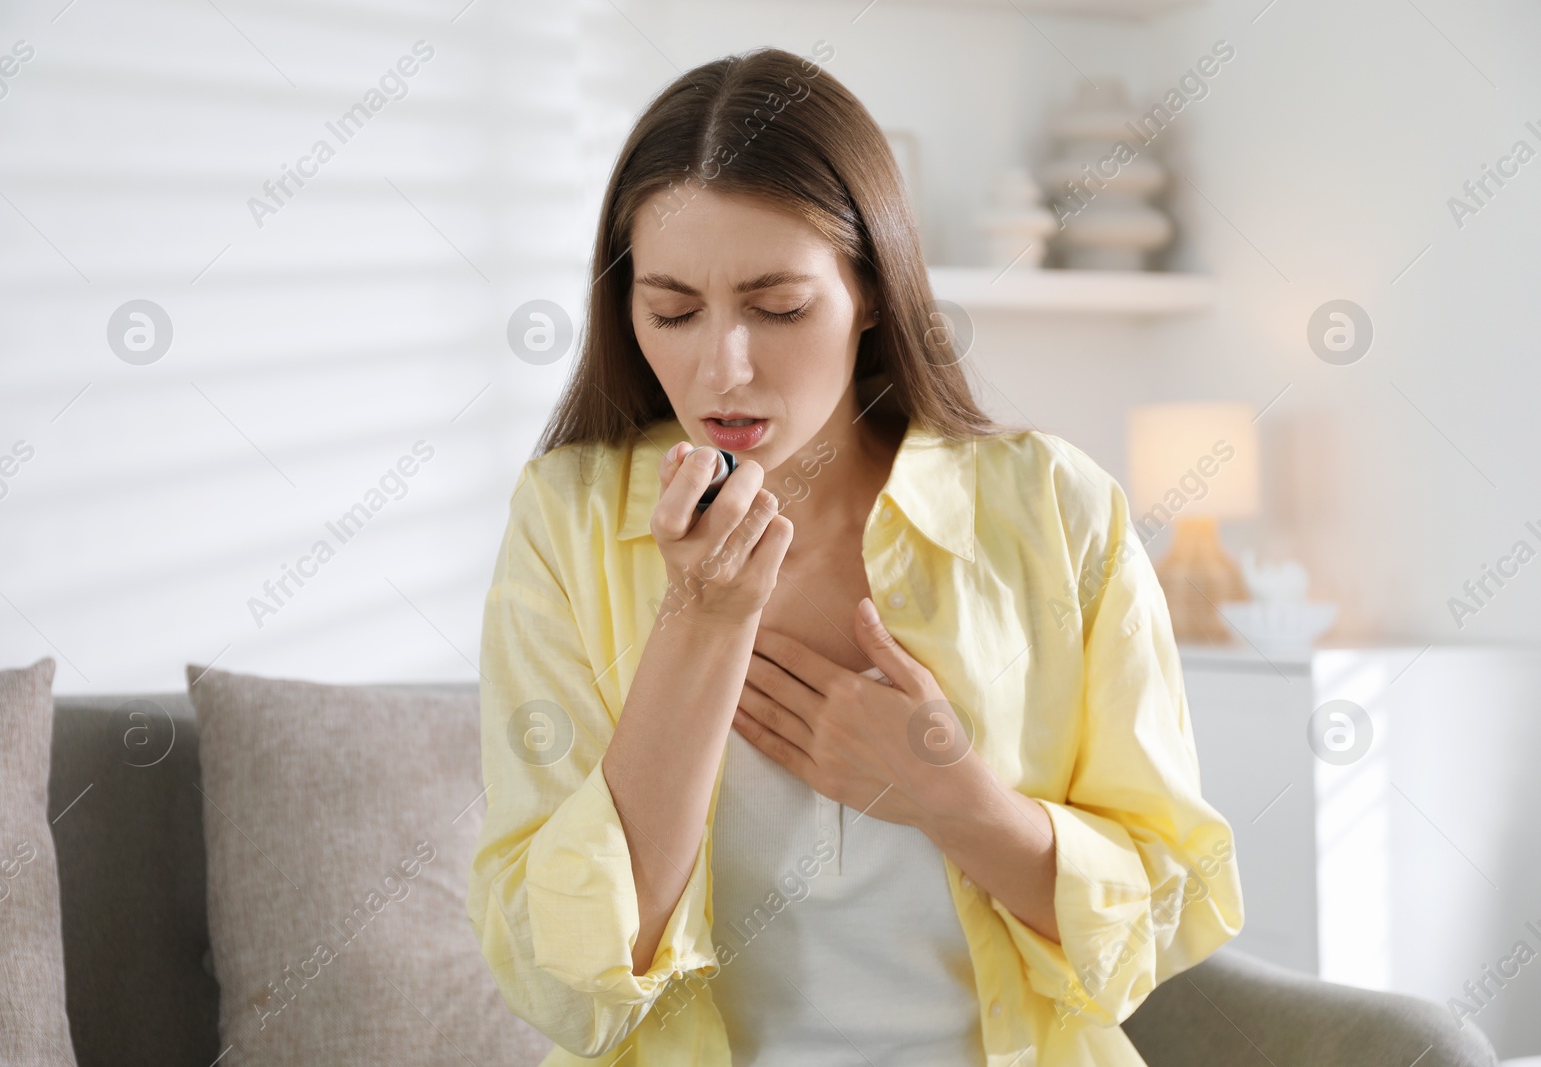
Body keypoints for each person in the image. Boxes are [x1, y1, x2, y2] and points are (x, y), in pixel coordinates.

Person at [467, 44, 1243, 1067]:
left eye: (778, 306)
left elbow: (1158, 914)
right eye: (670, 310)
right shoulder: (565, 521)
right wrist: (695, 619)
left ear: (872, 290)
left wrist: (951, 794)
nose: (721, 365)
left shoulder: (1057, 509)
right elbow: (564, 977)